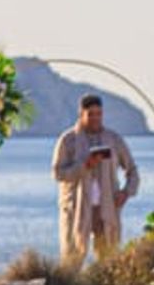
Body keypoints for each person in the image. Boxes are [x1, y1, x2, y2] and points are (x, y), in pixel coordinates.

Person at [52, 94, 140, 265]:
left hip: (106, 208)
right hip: (76, 209)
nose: (95, 118)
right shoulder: (68, 140)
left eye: (98, 114)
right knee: (72, 260)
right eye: (90, 114)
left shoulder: (113, 139)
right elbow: (57, 173)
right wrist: (84, 166)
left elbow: (133, 171)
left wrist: (126, 192)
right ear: (81, 114)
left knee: (108, 259)